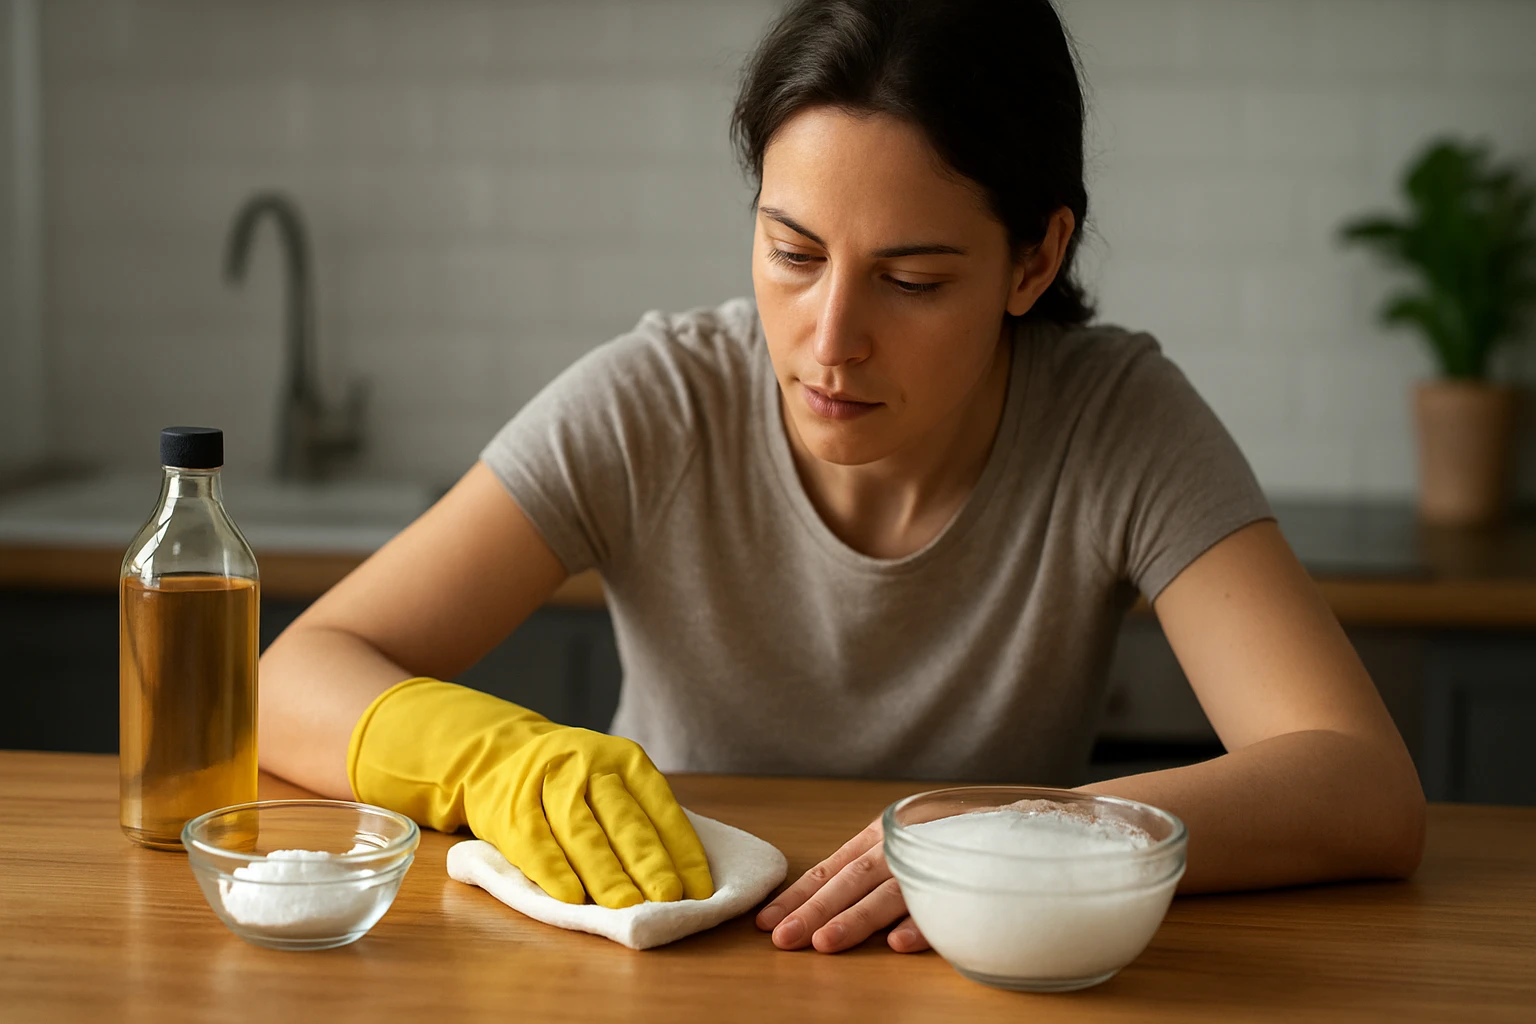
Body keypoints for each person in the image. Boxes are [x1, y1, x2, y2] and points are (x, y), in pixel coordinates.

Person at [259, 0, 1426, 956]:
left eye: (912, 279)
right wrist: (499, 759)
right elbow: (285, 677)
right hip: (658, 967)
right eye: (793, 253)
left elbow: (1364, 785)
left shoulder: (1114, 420)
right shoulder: (658, 398)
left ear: (1035, 258)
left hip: (972, 981)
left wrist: (1023, 838)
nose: (830, 338)